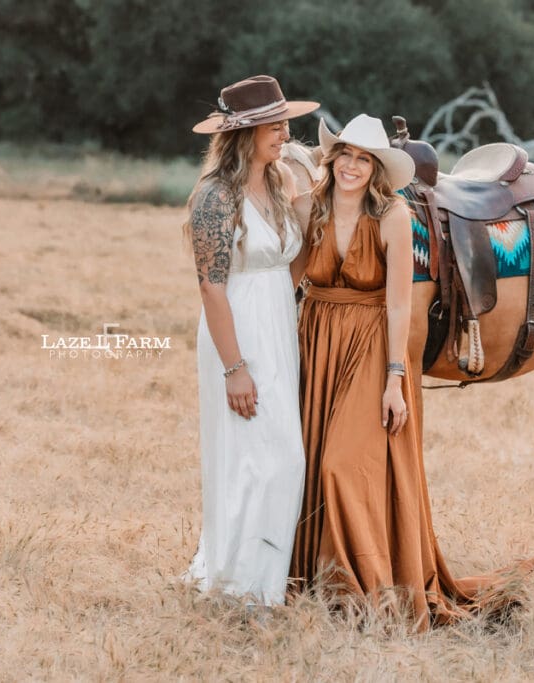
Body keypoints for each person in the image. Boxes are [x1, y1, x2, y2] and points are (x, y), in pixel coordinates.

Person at [289, 114, 534, 630]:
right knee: (309, 465)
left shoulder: (393, 215)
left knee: (338, 464)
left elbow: (401, 306)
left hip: (371, 345)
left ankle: (360, 587)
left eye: (364, 159)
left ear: (376, 168)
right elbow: (289, 277)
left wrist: (396, 379)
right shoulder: (310, 205)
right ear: (331, 161)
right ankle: (315, 580)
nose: (352, 166)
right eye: (345, 156)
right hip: (318, 338)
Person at [183, 75, 319, 606]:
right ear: (247, 132)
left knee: (281, 457)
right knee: (258, 456)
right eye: (276, 125)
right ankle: (239, 586)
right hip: (234, 328)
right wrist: (233, 366)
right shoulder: (215, 197)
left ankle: (260, 581)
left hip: (277, 326)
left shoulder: (282, 180)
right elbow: (211, 290)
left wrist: (315, 213)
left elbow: (291, 265)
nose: (286, 133)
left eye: (285, 123)